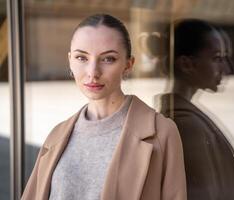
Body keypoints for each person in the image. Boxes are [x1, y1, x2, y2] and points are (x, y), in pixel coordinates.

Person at [21, 14, 186, 200]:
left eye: (108, 59)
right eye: (81, 58)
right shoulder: (56, 136)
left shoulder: (162, 133)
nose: (93, 73)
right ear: (70, 61)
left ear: (128, 65)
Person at [157, 19, 234, 200]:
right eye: (217, 58)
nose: (228, 68)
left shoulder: (184, 118)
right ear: (186, 64)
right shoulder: (186, 126)